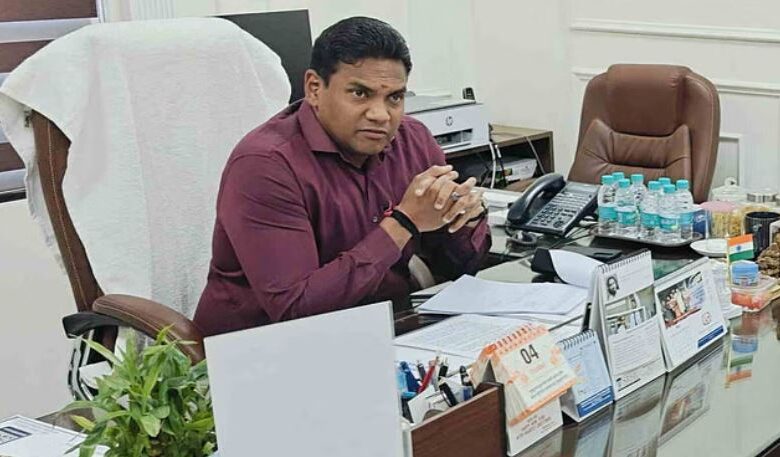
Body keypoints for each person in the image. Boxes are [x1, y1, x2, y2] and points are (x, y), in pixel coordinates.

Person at [193, 17, 491, 336]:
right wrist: (402, 224)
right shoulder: (265, 165)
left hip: (383, 332)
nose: (380, 115)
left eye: (394, 97)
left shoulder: (413, 140)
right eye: (360, 93)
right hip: (261, 348)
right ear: (314, 88)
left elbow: (458, 267)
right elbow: (296, 310)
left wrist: (466, 221)